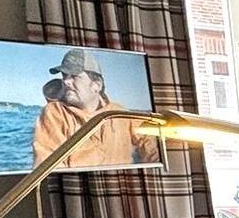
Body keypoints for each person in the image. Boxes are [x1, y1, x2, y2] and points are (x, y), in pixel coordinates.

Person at [31, 48, 160, 168]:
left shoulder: (120, 113)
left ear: (96, 86)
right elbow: (47, 164)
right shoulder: (55, 113)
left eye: (74, 76)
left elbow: (152, 144)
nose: (66, 81)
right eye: (64, 76)